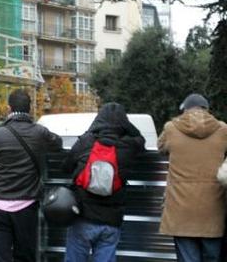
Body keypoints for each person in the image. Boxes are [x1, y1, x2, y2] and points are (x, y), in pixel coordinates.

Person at [0, 89, 62, 262]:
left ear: (9, 108)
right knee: (25, 256)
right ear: (30, 109)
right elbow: (58, 144)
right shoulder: (40, 133)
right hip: (26, 205)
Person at [62, 103, 146, 262]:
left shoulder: (86, 141)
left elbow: (66, 167)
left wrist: (90, 131)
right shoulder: (128, 146)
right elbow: (140, 139)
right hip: (111, 220)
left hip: (82, 216)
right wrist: (127, 127)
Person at [158, 94, 227, 262]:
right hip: (213, 209)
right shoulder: (223, 129)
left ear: (184, 110)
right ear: (207, 109)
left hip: (180, 210)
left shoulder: (171, 128)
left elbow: (161, 147)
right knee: (213, 257)